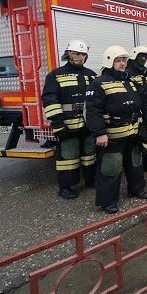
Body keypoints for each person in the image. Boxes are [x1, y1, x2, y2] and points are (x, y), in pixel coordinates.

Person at [85, 45, 147, 214]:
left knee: (135, 163)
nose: (123, 63)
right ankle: (108, 201)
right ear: (109, 61)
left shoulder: (130, 82)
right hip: (113, 136)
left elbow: (142, 105)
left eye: (124, 60)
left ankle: (136, 189)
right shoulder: (98, 83)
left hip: (133, 133)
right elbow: (93, 111)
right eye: (119, 60)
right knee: (111, 168)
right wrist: (99, 133)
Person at [42, 39, 97, 199]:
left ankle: (90, 180)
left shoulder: (91, 75)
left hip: (87, 125)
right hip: (67, 126)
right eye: (76, 53)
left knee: (89, 154)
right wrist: (58, 124)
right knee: (68, 157)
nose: (80, 56)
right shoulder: (56, 75)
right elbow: (50, 100)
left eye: (83, 54)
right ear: (69, 54)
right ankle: (65, 187)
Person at [126, 46, 147, 172]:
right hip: (133, 112)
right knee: (134, 139)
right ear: (134, 57)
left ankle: (146, 163)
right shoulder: (127, 74)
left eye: (145, 56)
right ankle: (134, 165)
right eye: (141, 56)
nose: (143, 59)